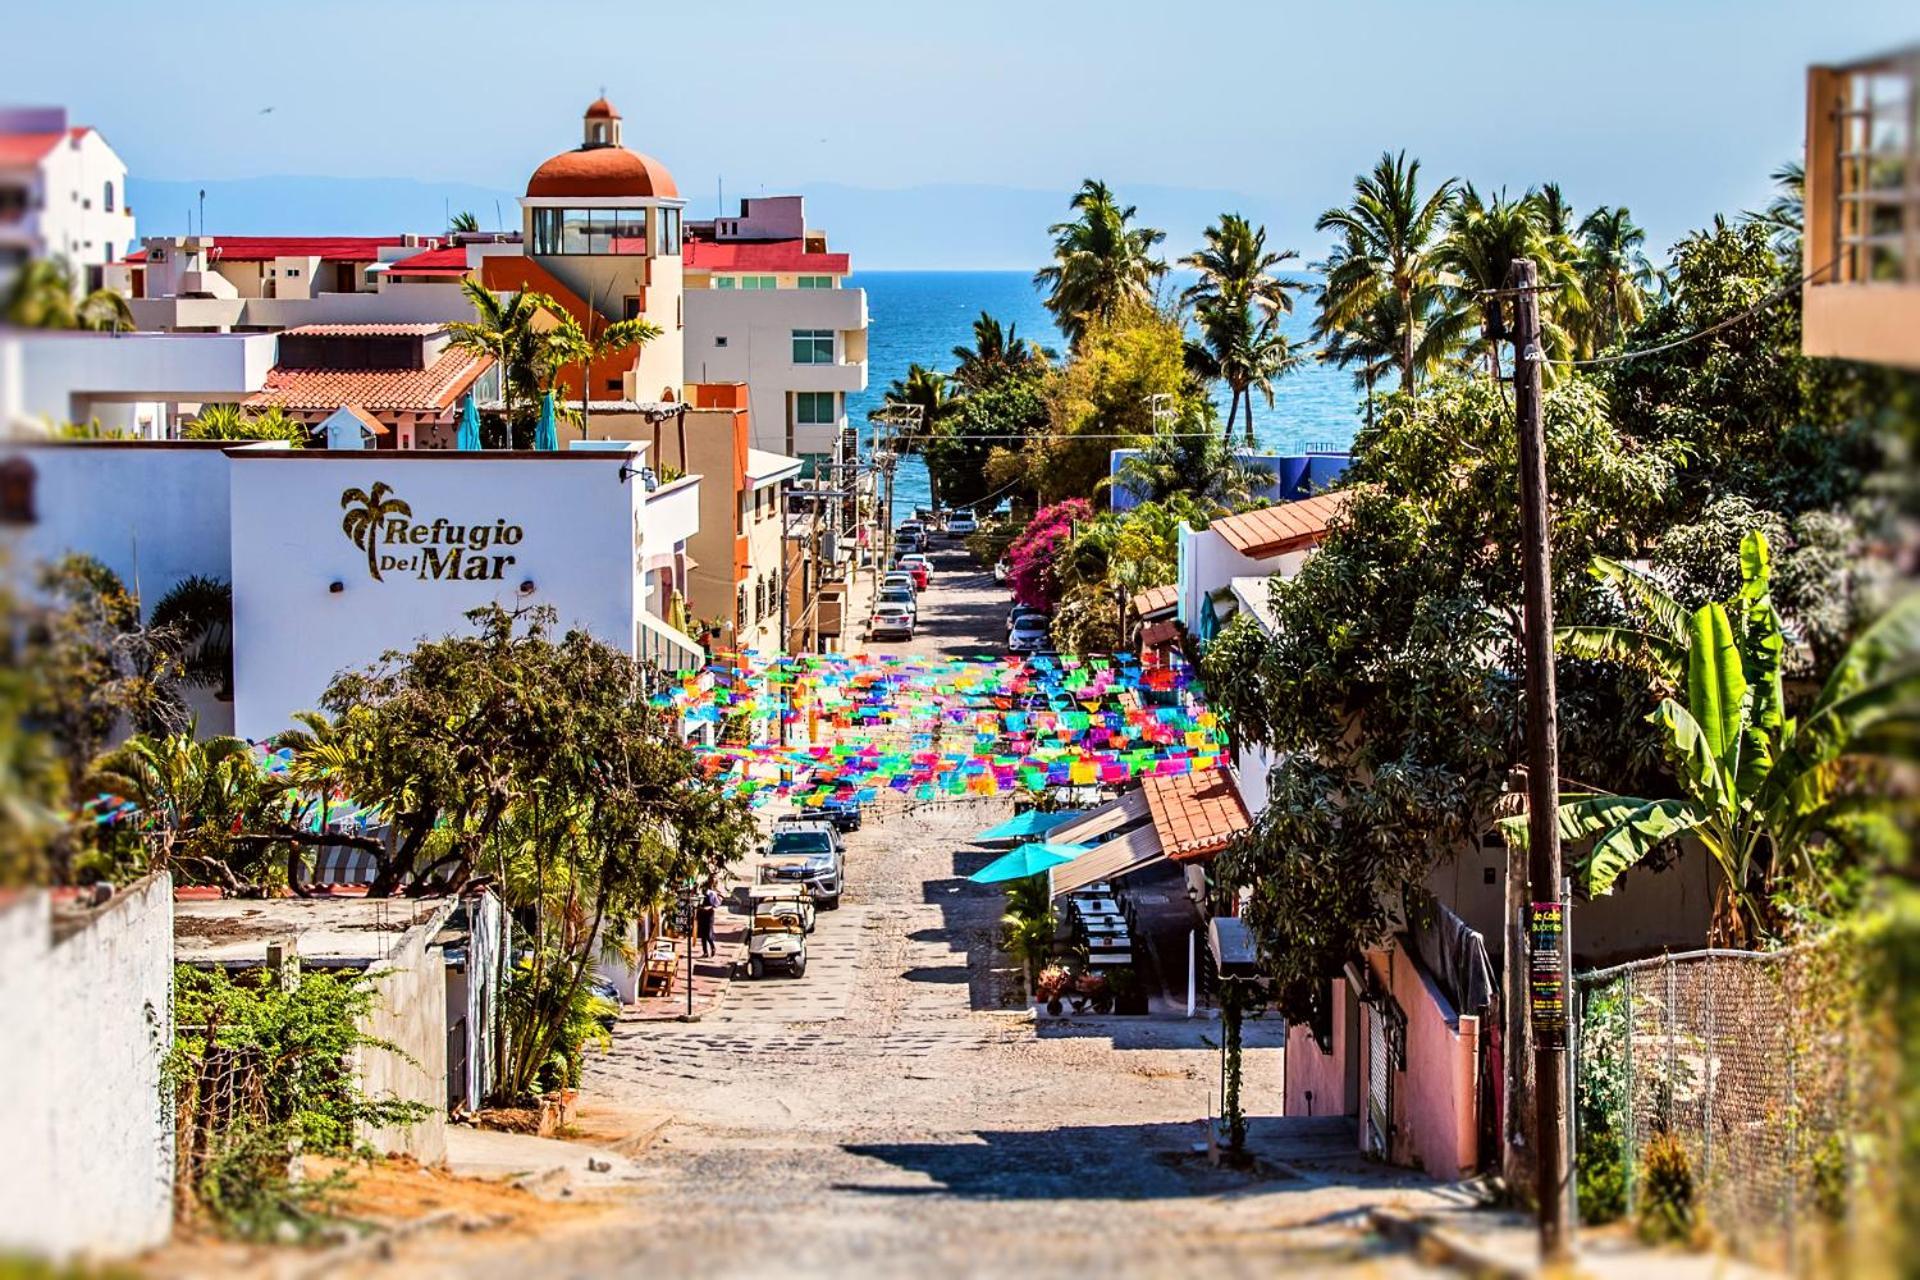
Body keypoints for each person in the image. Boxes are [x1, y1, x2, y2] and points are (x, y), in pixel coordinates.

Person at [697, 882, 720, 958]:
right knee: (702, 935)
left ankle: (713, 947)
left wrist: (710, 907)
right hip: (701, 914)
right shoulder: (700, 894)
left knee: (707, 934)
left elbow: (717, 904)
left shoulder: (712, 894)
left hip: (709, 915)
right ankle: (705, 952)